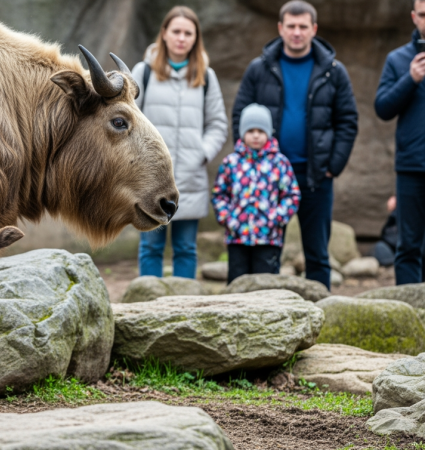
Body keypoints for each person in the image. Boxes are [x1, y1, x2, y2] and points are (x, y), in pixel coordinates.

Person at [231, 0, 358, 289]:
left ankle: (323, 313)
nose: (297, 32)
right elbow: (239, 115)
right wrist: (250, 164)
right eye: (291, 26)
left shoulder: (334, 71)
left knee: (317, 253)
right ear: (280, 28)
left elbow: (348, 120)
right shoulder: (259, 68)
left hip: (315, 176)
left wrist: (333, 166)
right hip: (268, 179)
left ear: (314, 29)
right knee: (265, 252)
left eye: (303, 26)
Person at [131, 6, 228, 278]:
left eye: (188, 33)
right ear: (164, 34)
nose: (181, 38)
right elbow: (128, 117)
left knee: (186, 247)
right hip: (149, 177)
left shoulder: (206, 76)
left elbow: (218, 123)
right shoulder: (144, 72)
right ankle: (148, 303)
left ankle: (185, 307)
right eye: (176, 31)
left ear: (196, 38)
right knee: (150, 245)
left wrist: (202, 152)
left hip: (190, 176)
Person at [212, 104, 301, 284]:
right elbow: (219, 194)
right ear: (243, 132)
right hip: (237, 237)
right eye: (250, 130)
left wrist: (276, 218)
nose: (255, 135)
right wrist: (229, 220)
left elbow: (292, 195)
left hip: (268, 238)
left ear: (268, 132)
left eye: (260, 130)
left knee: (266, 285)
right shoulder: (231, 162)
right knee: (237, 284)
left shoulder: (279, 163)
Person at [374, 0, 425, 285]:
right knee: (408, 246)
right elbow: (382, 108)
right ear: (414, 17)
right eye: (424, 15)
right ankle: (410, 317)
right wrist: (411, 79)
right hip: (411, 167)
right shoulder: (398, 59)